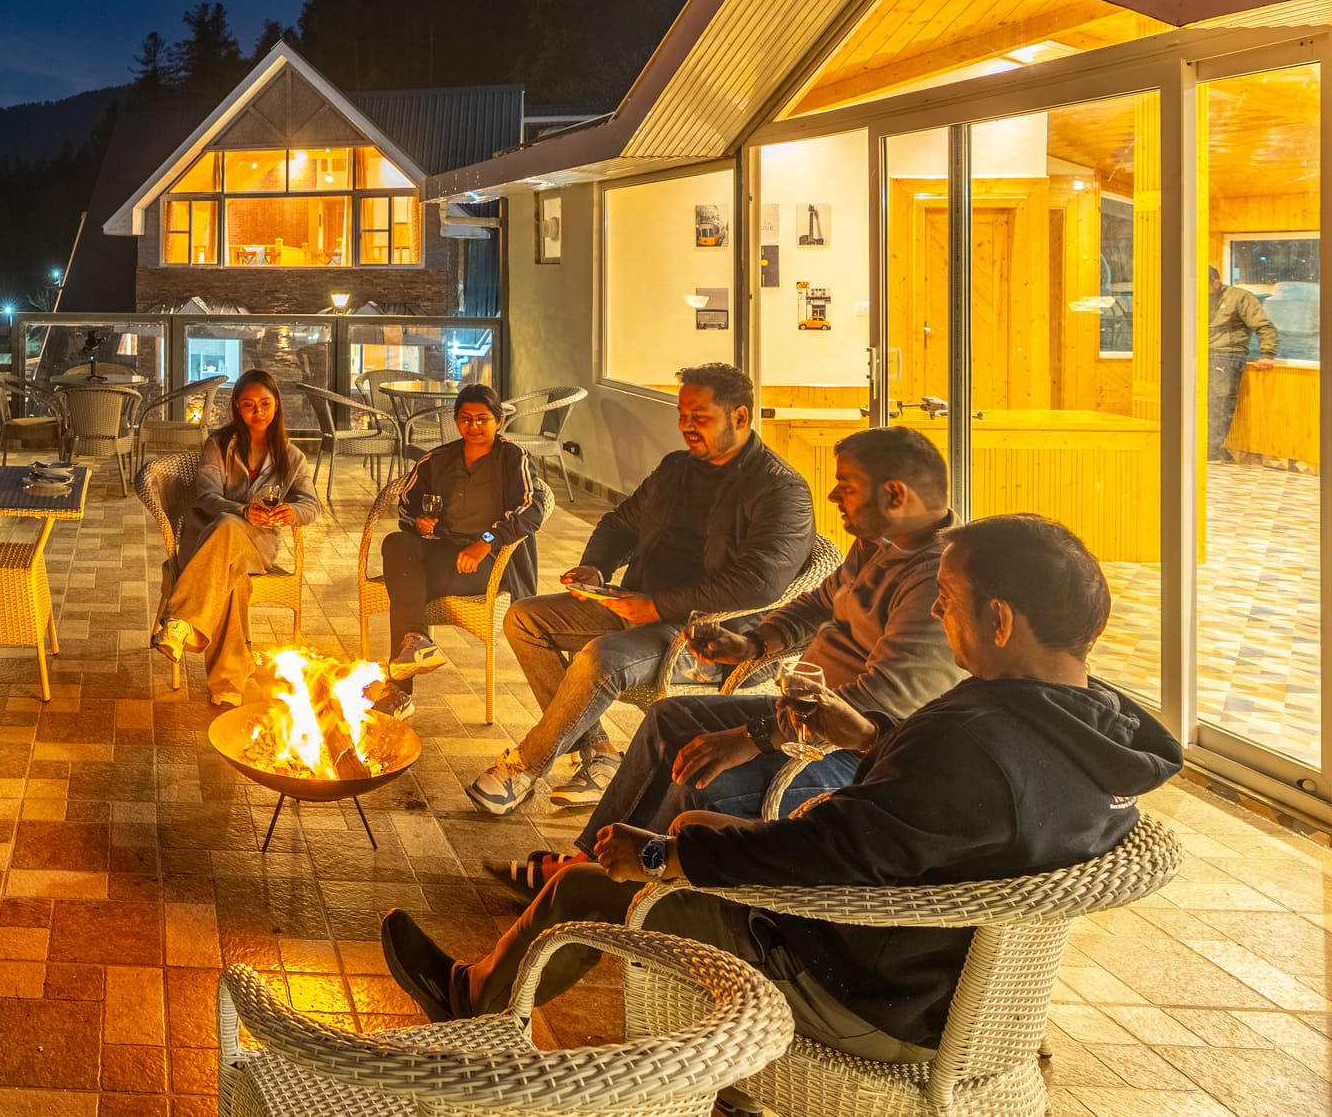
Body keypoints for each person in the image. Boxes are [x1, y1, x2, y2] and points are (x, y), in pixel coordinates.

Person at [381, 512, 1182, 1077]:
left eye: (948, 598)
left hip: (869, 990)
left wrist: (664, 852)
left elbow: (827, 853)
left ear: (1000, 618)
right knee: (688, 818)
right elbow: (949, 812)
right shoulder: (1091, 722)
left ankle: (470, 1003)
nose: (938, 609)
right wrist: (867, 737)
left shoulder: (973, 740)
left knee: (595, 883)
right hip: (962, 991)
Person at [511, 426, 961, 891]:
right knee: (671, 716)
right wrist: (754, 643)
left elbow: (871, 706)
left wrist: (756, 736)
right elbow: (819, 600)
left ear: (893, 494)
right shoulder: (882, 539)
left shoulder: (936, 580)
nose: (833, 495)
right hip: (805, 716)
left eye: (846, 486)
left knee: (702, 773)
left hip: (857, 753)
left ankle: (623, 887)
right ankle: (589, 860)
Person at [466, 363, 814, 814]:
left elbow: (757, 582)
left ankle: (524, 768)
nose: (686, 426)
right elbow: (620, 522)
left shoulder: (780, 489)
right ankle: (599, 756)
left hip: (707, 636)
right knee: (525, 617)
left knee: (601, 658)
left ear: (741, 418)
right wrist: (595, 567)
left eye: (700, 417)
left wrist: (658, 606)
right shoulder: (676, 469)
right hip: (636, 607)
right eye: (682, 414)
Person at [378, 383, 553, 719]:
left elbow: (532, 509)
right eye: (465, 419)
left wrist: (485, 540)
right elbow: (407, 507)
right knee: (396, 545)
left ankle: (400, 693)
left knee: (405, 585)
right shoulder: (438, 459)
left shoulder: (513, 458)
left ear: (498, 421)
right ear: (456, 421)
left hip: (488, 562)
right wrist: (419, 522)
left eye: (482, 419)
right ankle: (416, 638)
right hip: (445, 551)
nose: (473, 427)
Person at [153, 368, 320, 706]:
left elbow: (311, 504)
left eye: (264, 404)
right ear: (236, 408)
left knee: (230, 532)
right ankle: (227, 687)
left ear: (276, 406)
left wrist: (293, 512)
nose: (257, 412)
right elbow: (205, 495)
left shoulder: (292, 456)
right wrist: (242, 510)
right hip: (212, 543)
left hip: (258, 545)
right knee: (233, 579)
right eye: (248, 405)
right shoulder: (219, 446)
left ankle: (181, 621)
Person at [1208, 265, 1277, 460]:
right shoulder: (1194, 297)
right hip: (1199, 355)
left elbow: (1265, 327)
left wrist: (1267, 354)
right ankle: (1199, 446)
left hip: (1227, 355)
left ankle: (1211, 450)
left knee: (1219, 403)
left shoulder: (1240, 297)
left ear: (1216, 282)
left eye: (1205, 287)